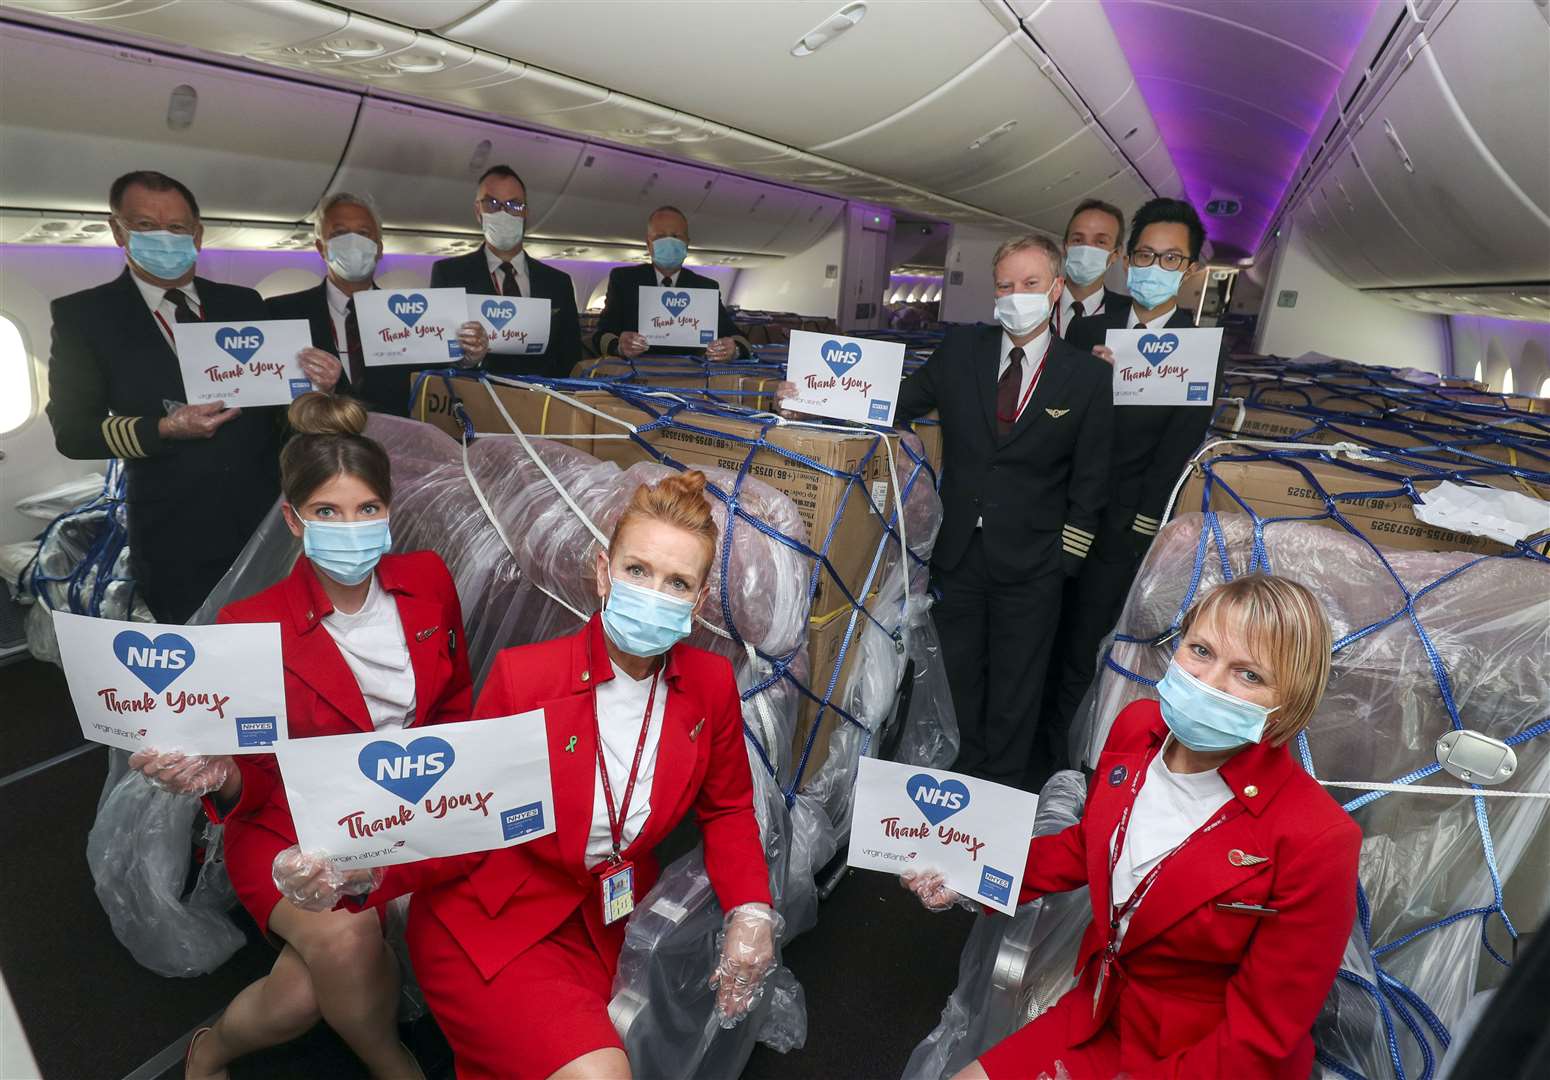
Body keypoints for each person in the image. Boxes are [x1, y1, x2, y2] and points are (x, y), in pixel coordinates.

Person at [272, 471, 778, 1080]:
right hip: (494, 919)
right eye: (637, 571)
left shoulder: (711, 685)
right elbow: (461, 821)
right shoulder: (525, 677)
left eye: (677, 583)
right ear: (602, 571)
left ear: (697, 603)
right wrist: (364, 866)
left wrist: (750, 909)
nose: (653, 593)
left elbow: (727, 810)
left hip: (606, 922)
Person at [127, 392, 472, 1079]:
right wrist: (213, 776)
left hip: (407, 800)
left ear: (390, 514)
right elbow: (250, 775)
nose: (352, 528)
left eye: (367, 509)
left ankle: (212, 1048)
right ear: (294, 520)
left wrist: (456, 786)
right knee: (344, 938)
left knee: (302, 994)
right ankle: (390, 1062)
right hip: (289, 823)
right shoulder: (249, 623)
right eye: (328, 512)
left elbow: (455, 698)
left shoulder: (428, 580)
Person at [905, 575, 1362, 1079]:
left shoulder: (1316, 839)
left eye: (1248, 675)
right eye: (1201, 650)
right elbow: (1088, 848)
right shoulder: (1137, 730)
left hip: (1207, 1058)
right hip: (1100, 1012)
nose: (1209, 682)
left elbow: (1257, 1037)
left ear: (1289, 702)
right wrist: (967, 872)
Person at [44, 169, 341, 624]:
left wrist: (317, 388)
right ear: (117, 230)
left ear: (198, 235)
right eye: (145, 226)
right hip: (173, 529)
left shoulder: (243, 304)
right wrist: (164, 428)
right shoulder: (84, 317)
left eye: (177, 227)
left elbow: (281, 412)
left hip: (264, 518)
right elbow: (73, 432)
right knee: (201, 661)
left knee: (282, 641)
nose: (164, 237)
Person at [887, 234, 1112, 788]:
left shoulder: (1086, 376)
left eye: (1031, 284)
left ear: (1056, 289)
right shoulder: (961, 352)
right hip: (959, 550)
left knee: (1017, 687)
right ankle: (955, 785)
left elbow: (1091, 481)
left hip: (1035, 560)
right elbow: (895, 402)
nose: (1018, 295)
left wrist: (1066, 560)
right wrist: (819, 395)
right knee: (957, 677)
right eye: (1007, 285)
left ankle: (1001, 793)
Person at [1040, 198, 1220, 785]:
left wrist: (1144, 522)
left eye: (1171, 257)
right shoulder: (1090, 330)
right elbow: (1051, 417)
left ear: (1190, 269)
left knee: (1084, 648)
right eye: (1145, 254)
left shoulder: (1197, 349)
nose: (1154, 266)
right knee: (1040, 638)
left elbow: (1178, 448)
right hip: (1061, 511)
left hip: (1121, 527)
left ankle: (1064, 775)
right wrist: (1085, 379)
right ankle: (1027, 761)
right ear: (1128, 258)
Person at [269, 191, 488, 417]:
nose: (353, 244)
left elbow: (438, 391)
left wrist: (468, 359)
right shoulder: (281, 313)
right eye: (339, 233)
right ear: (320, 247)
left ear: (379, 248)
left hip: (393, 449)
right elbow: (269, 403)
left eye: (364, 234)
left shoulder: (416, 320)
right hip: (315, 448)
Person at [429, 164, 582, 379]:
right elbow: (436, 355)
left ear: (526, 212)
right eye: (492, 203)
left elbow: (571, 356)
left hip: (543, 404)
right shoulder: (449, 275)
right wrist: (468, 360)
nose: (503, 213)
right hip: (476, 401)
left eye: (514, 205)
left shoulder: (558, 282)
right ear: (477, 211)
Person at [593, 205, 752, 363]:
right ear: (649, 245)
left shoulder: (705, 287)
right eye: (660, 237)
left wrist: (734, 350)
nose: (669, 243)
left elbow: (738, 338)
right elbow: (602, 334)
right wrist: (619, 346)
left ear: (686, 244)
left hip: (690, 377)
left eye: (676, 236)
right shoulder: (624, 280)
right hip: (635, 375)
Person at [1053, 199, 1127, 340]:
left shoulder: (1128, 313)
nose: (1087, 249)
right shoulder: (1038, 303)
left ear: (1116, 254)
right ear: (1064, 247)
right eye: (1078, 240)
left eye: (1100, 242)